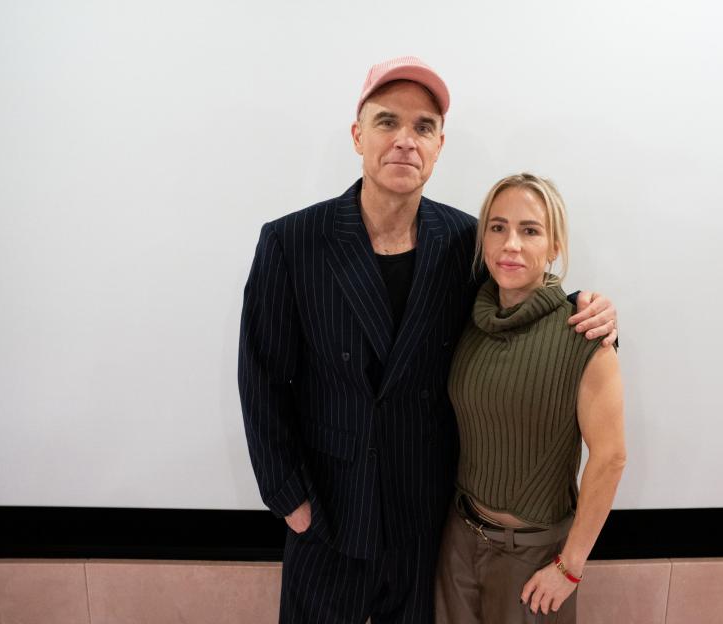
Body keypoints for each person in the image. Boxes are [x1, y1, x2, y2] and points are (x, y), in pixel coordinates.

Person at [238, 57, 618, 624]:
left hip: (427, 517)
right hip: (328, 512)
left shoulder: (464, 240)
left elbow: (522, 305)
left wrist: (594, 315)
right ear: (357, 135)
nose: (404, 141)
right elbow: (262, 378)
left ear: (439, 146)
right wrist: (288, 498)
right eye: (388, 122)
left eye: (423, 127)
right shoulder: (292, 242)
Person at [434, 173, 626, 623]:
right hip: (458, 542)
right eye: (497, 227)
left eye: (530, 230)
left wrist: (570, 567)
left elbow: (611, 457)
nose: (511, 244)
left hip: (536, 556)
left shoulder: (584, 335)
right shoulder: (467, 320)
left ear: (554, 245)